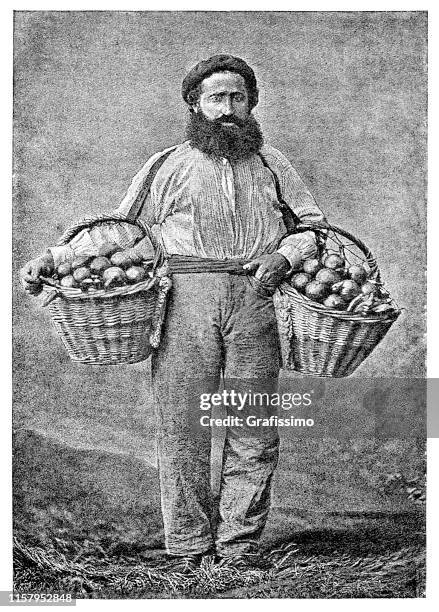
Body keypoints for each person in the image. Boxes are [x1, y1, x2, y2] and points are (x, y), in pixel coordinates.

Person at [21, 55, 325, 573]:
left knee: (250, 423)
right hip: (184, 297)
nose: (227, 109)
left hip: (257, 297)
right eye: (216, 98)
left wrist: (285, 256)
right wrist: (52, 259)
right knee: (182, 424)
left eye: (237, 98)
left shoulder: (274, 164)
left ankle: (239, 545)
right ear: (195, 105)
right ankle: (187, 546)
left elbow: (314, 227)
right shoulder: (166, 165)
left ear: (251, 104)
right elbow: (120, 231)